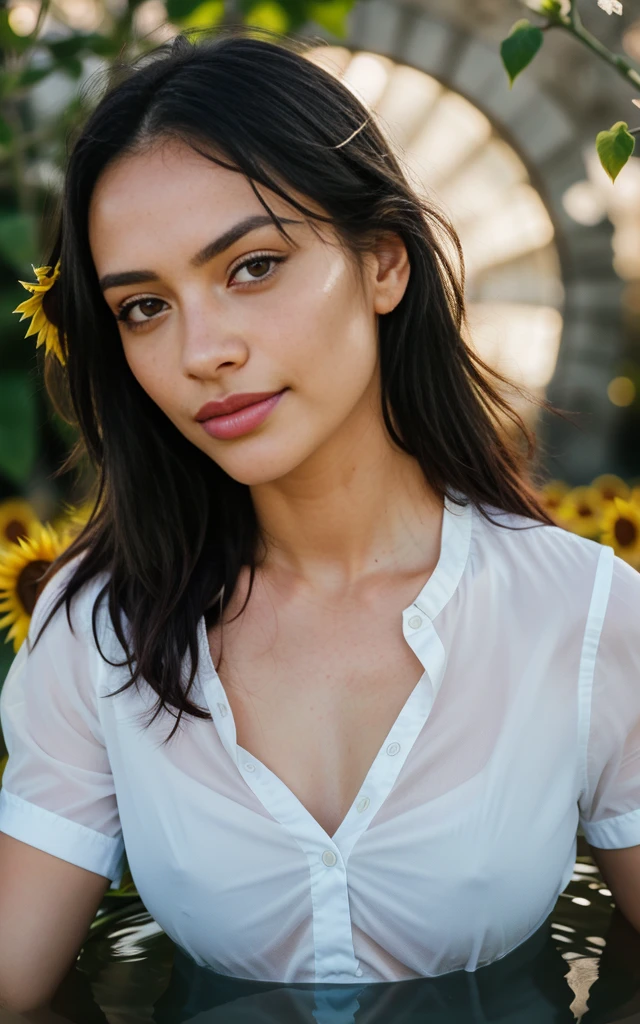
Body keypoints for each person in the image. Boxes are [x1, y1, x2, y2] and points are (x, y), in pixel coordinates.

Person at [1, 27, 640, 1012]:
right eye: (143, 307)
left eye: (251, 266)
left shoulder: (582, 612)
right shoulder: (98, 628)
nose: (200, 350)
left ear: (384, 263)